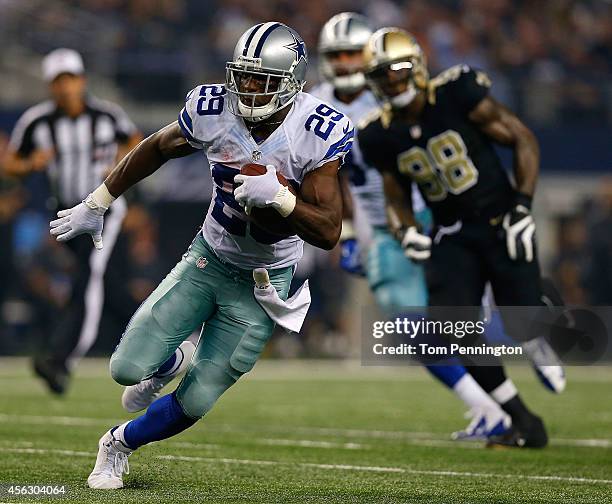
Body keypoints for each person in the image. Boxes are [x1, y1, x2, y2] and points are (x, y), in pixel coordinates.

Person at [49, 23, 353, 489]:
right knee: (125, 370)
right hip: (208, 258)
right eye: (244, 76)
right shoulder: (214, 110)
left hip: (265, 284)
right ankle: (169, 363)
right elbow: (154, 148)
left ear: (292, 81)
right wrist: (98, 203)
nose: (249, 88)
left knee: (200, 398)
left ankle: (118, 444)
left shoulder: (316, 131)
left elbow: (329, 230)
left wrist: (283, 200)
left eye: (262, 79)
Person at [311, 12, 513, 440]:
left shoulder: (398, 92)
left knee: (460, 319)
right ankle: (488, 407)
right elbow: (329, 178)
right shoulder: (314, 104)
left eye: (354, 54)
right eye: (338, 55)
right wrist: (347, 234)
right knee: (410, 326)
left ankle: (498, 403)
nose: (346, 63)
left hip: (435, 214)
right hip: (379, 224)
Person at [358, 28, 551, 448]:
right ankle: (523, 421)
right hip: (451, 234)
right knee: (452, 328)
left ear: (418, 67)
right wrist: (405, 230)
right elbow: (395, 195)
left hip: (498, 217)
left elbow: (522, 137)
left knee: (523, 316)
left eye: (397, 70)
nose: (391, 81)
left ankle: (539, 321)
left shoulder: (456, 94)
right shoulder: (377, 133)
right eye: (381, 74)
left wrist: (522, 205)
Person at [3, 48, 142, 394]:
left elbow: (137, 142)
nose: (65, 88)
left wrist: (120, 165)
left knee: (89, 281)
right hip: (66, 215)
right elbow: (11, 163)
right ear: (50, 86)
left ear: (82, 80)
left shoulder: (107, 115)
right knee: (107, 289)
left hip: (103, 210)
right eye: (58, 81)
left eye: (70, 79)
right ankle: (165, 340)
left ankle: (61, 359)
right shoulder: (37, 121)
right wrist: (30, 164)